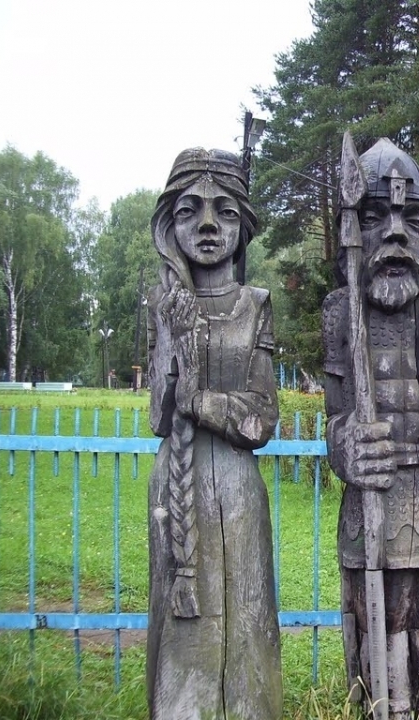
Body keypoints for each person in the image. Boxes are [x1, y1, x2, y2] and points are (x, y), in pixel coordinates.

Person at [322, 138, 419, 720]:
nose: (393, 234)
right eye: (372, 217)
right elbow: (334, 417)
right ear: (350, 231)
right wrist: (344, 445)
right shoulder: (341, 312)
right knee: (383, 652)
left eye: (411, 219)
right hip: (373, 507)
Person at [146, 148, 282, 720]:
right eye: (189, 211)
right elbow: (159, 416)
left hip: (237, 490)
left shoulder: (255, 306)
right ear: (168, 225)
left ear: (243, 225)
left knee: (246, 623)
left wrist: (202, 402)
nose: (207, 225)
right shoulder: (161, 304)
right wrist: (176, 342)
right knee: (182, 636)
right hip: (175, 490)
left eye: (224, 211)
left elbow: (262, 418)